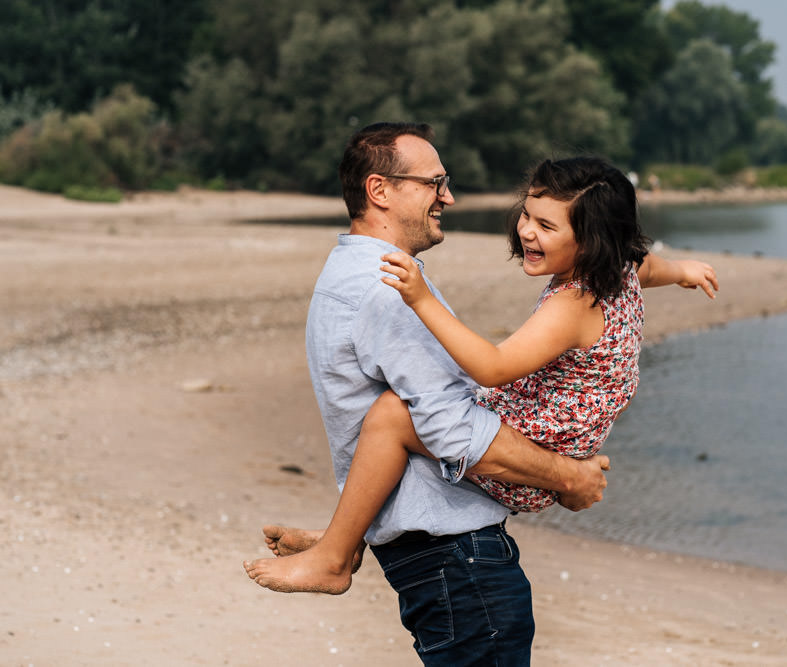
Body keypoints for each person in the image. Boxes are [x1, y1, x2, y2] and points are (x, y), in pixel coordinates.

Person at [244, 155, 719, 630]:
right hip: (560, 431)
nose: (528, 231)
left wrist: (422, 300)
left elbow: (492, 368)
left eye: (547, 226)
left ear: (593, 242)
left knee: (395, 415)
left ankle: (335, 554)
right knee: (428, 412)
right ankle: (340, 540)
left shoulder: (573, 304)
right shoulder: (620, 270)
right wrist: (684, 271)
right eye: (528, 215)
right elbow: (648, 265)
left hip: (538, 441)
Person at [242, 122, 615, 666]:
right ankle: (335, 554)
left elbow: (381, 426)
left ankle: (337, 547)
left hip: (434, 559)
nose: (449, 197)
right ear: (380, 191)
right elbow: (450, 428)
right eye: (435, 183)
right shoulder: (385, 288)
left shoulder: (347, 273)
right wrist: (568, 477)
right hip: (457, 559)